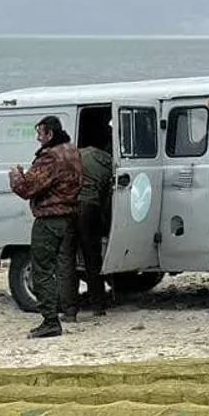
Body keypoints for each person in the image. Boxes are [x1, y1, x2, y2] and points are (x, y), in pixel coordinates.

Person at [8, 115, 84, 338]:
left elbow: (26, 189)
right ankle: (68, 309)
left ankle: (50, 320)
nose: (37, 138)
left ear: (49, 134)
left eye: (39, 133)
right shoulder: (71, 151)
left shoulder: (50, 158)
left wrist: (15, 175)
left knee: (41, 270)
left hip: (50, 218)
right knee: (66, 267)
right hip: (71, 216)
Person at [74, 116, 114, 318]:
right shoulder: (108, 162)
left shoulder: (76, 156)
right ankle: (98, 304)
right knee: (92, 259)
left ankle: (70, 307)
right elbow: (107, 194)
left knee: (67, 258)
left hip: (73, 209)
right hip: (93, 210)